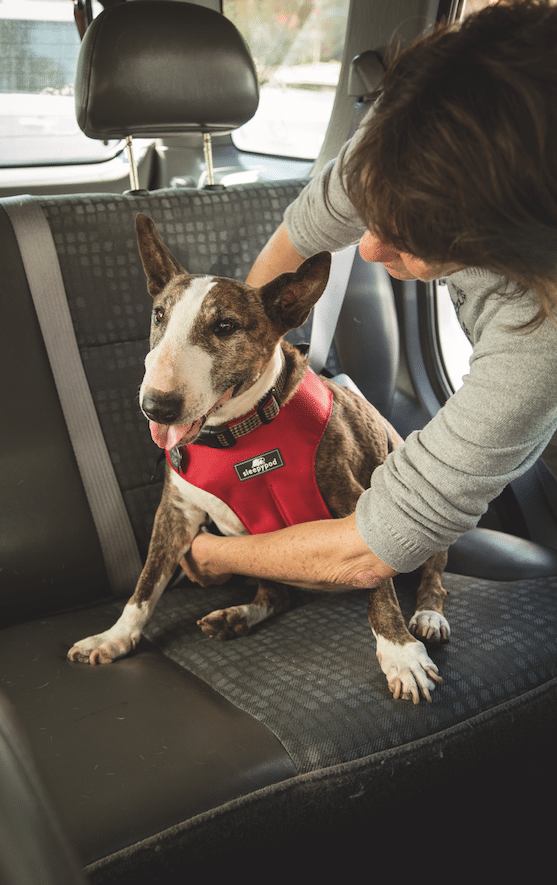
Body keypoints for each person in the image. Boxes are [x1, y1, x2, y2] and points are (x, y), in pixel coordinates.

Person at [181, 0, 557, 592]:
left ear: (508, 252)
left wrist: (211, 554)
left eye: (409, 242)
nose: (369, 251)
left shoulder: (538, 340)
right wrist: (241, 377)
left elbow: (367, 552)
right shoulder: (407, 133)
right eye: (368, 215)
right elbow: (299, 241)